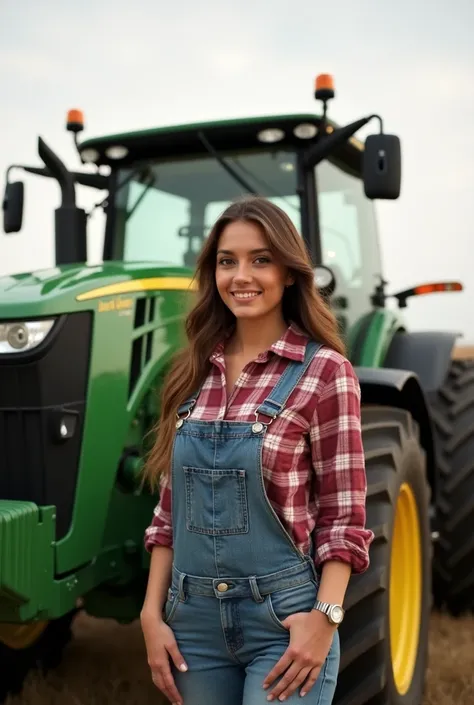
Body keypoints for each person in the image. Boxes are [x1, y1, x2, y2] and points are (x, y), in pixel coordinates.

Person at [140, 196, 373, 705]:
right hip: (192, 623)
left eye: (260, 259)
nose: (241, 275)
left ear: (289, 272)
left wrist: (325, 619)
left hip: (284, 620)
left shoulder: (325, 372)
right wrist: (150, 615)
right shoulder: (191, 372)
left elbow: (344, 520)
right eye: (228, 261)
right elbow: (168, 512)